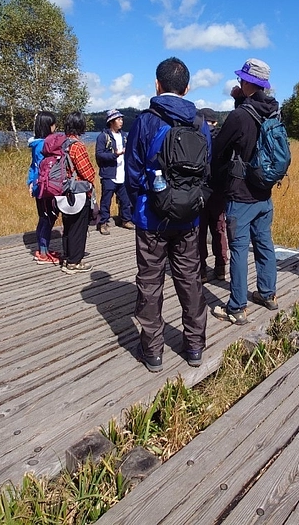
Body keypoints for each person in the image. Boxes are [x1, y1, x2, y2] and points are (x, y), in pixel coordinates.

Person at [124, 57, 211, 371]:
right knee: (190, 280)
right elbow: (206, 171)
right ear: (187, 88)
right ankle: (195, 347)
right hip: (190, 219)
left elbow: (132, 173)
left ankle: (153, 351)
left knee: (150, 282)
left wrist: (138, 205)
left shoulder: (145, 121)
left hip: (152, 217)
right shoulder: (200, 123)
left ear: (157, 85)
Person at [210, 58, 280, 325]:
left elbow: (219, 149)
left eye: (241, 78)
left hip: (240, 195)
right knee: (264, 243)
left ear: (248, 82)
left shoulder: (240, 115)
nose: (239, 81)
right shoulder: (274, 111)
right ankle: (268, 294)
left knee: (239, 248)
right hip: (265, 192)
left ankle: (237, 307)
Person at [58, 111, 96, 274]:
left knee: (68, 225)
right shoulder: (77, 145)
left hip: (64, 190)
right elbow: (88, 173)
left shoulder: (62, 143)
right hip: (79, 191)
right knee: (78, 228)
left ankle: (67, 256)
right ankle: (74, 262)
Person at [197, 107, 228, 282]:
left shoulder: (197, 136)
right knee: (218, 229)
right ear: (215, 122)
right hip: (218, 191)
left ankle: (202, 270)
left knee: (200, 232)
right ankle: (221, 267)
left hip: (201, 190)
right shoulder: (223, 139)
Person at [28, 111, 61, 264]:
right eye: (53, 124)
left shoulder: (35, 143)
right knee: (48, 217)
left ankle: (43, 249)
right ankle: (43, 253)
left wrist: (30, 182)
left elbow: (33, 167)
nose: (55, 127)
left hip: (37, 185)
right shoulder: (45, 144)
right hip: (46, 187)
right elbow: (46, 168)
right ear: (48, 126)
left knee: (43, 218)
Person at [95, 109, 134, 235]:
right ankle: (103, 223)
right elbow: (99, 155)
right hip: (109, 174)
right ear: (111, 122)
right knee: (106, 200)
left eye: (121, 119)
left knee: (125, 200)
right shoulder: (103, 136)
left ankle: (126, 220)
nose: (121, 121)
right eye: (118, 119)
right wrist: (114, 154)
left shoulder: (124, 136)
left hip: (122, 173)